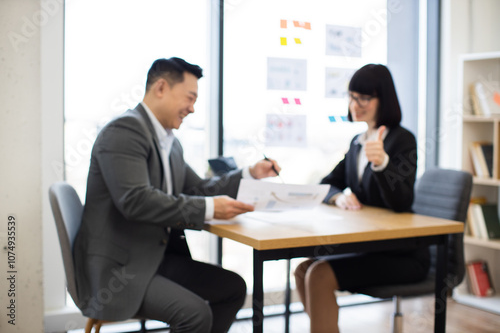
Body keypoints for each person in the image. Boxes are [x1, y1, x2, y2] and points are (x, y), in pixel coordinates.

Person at [73, 57, 280, 333]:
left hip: (152, 258)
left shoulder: (169, 142)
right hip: (119, 271)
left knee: (233, 289)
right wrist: (209, 209)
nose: (193, 108)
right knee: (195, 315)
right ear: (161, 88)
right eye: (190, 98)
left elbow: (198, 190)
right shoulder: (124, 131)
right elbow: (136, 201)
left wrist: (250, 173)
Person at [293, 64, 427, 333]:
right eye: (352, 96)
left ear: (383, 100)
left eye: (364, 98)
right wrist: (339, 197)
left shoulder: (402, 140)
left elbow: (401, 203)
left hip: (400, 254)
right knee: (303, 269)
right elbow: (327, 184)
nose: (356, 104)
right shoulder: (357, 142)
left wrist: (382, 164)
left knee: (319, 274)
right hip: (368, 246)